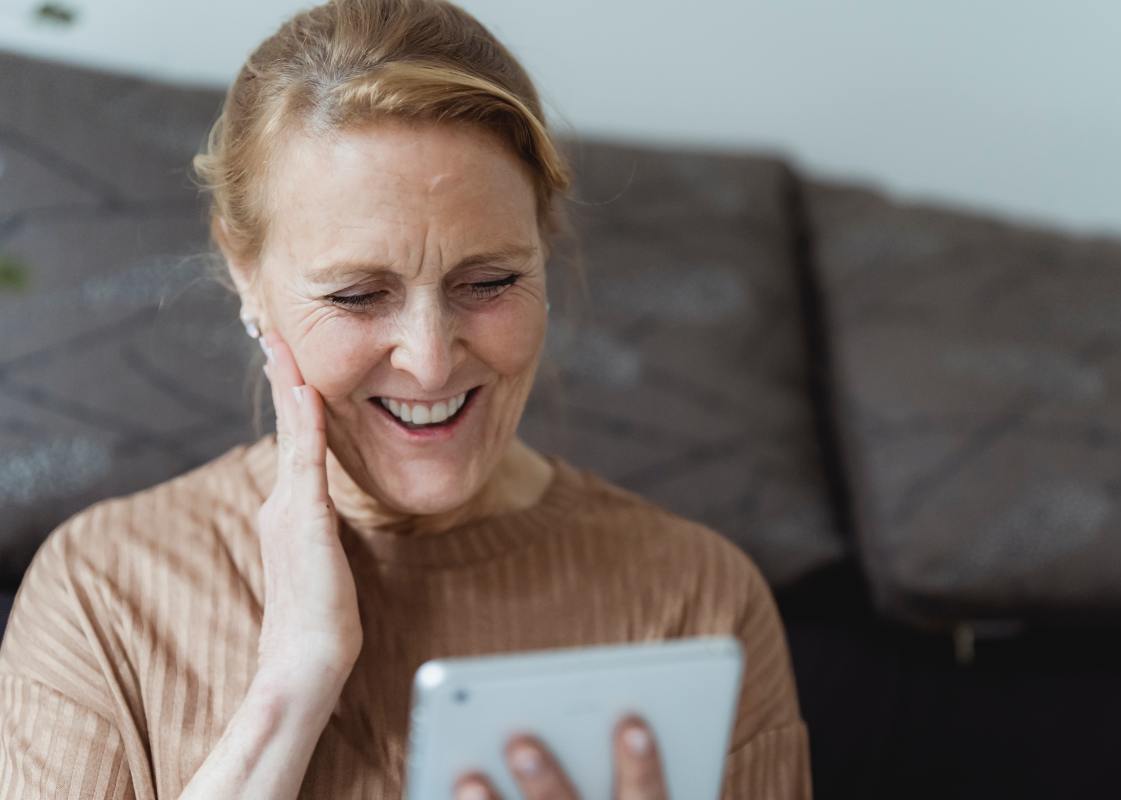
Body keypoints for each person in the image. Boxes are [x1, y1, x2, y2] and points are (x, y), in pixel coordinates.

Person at [0, 0, 812, 797]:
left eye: (489, 282)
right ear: (246, 273)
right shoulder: (102, 592)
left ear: (544, 250)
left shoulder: (699, 604)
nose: (428, 363)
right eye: (357, 295)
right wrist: (291, 690)